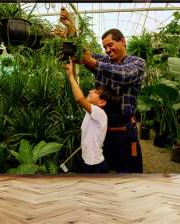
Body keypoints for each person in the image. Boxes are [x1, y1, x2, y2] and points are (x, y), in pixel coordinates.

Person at [60, 7, 145, 173]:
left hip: (123, 131)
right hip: (101, 129)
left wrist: (94, 63)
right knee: (102, 172)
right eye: (104, 47)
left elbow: (124, 75)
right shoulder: (104, 61)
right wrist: (70, 28)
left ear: (123, 41)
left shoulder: (137, 63)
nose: (107, 50)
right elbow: (81, 55)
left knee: (127, 175)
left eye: (110, 45)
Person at [64, 57, 111, 173]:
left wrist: (70, 76)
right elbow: (78, 94)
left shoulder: (100, 113)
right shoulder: (90, 112)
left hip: (96, 167)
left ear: (102, 102)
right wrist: (72, 68)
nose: (90, 91)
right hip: (88, 162)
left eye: (95, 92)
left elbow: (79, 98)